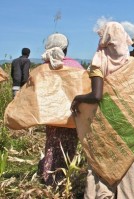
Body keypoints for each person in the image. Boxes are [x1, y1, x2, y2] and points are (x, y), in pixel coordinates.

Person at [71, 22, 134, 199]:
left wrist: (78, 99)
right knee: (126, 164)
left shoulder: (100, 60)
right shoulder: (132, 63)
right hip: (129, 123)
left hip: (105, 122)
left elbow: (97, 95)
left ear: (106, 38)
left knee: (100, 165)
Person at [37, 33, 83, 186]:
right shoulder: (76, 66)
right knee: (68, 146)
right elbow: (83, 89)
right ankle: (63, 180)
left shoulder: (43, 67)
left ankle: (48, 177)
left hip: (51, 116)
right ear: (66, 48)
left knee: (52, 144)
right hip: (72, 115)